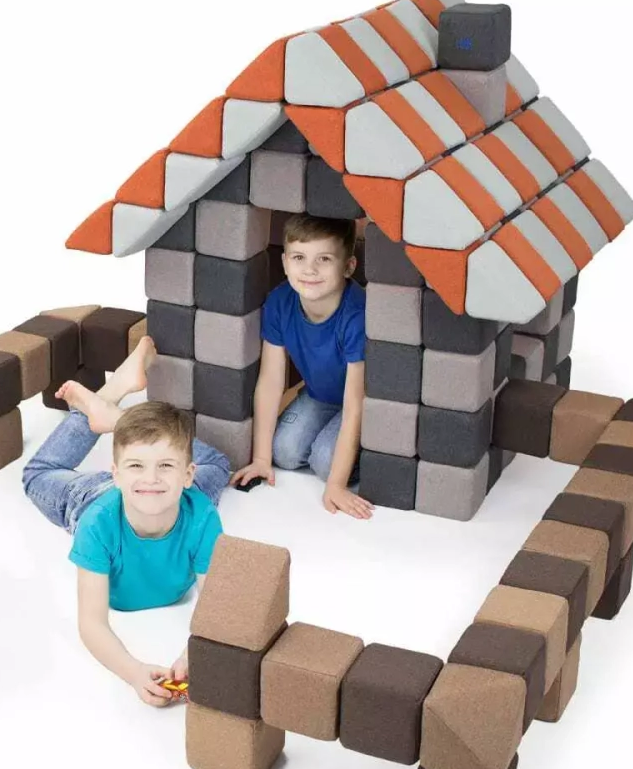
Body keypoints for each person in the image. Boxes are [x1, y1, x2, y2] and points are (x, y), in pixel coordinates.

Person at [22, 337, 230, 706]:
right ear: (116, 473)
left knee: (217, 466)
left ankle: (114, 416)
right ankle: (109, 398)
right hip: (91, 497)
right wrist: (133, 672)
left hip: (174, 496)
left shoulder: (202, 518)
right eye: (136, 466)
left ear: (187, 475)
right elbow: (92, 623)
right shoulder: (96, 525)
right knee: (37, 474)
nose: (151, 478)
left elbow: (216, 608)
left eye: (165, 466)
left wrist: (192, 657)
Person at [232, 213, 374, 520]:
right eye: (299, 257)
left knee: (324, 462)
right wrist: (261, 459)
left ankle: (354, 456)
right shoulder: (279, 302)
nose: (309, 269)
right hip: (319, 395)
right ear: (285, 263)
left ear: (348, 266)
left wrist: (336, 484)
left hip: (358, 400)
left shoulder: (356, 316)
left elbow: (355, 403)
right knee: (283, 452)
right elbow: (271, 381)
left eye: (324, 259)